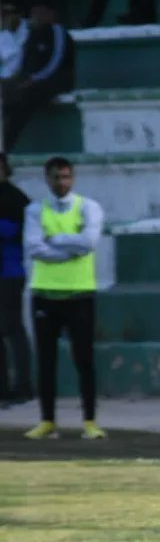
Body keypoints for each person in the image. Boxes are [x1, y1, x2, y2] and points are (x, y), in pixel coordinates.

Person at [22, 157, 106, 440]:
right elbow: (34, 248)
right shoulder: (35, 210)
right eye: (56, 177)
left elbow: (90, 242)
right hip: (45, 293)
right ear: (47, 178)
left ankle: (90, 421)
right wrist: (71, 246)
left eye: (66, 177)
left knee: (84, 359)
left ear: (73, 178)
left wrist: (55, 239)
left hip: (80, 292)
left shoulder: (88, 207)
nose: (61, 182)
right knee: (46, 361)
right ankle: (47, 420)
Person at [1, 0, 74, 152]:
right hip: (31, 82)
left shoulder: (58, 31)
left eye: (39, 12)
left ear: (50, 14)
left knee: (24, 98)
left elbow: (54, 63)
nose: (35, 16)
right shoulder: (34, 34)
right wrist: (17, 80)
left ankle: (6, 147)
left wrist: (32, 80)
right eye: (33, 13)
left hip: (54, 81)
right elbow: (24, 64)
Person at [0, 152, 32, 405]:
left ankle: (23, 385)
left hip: (10, 272)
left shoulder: (14, 198)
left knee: (12, 328)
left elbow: (15, 230)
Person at [0, 2, 28, 81]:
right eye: (3, 13)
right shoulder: (4, 31)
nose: (5, 17)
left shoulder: (29, 30)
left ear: (20, 14)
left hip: (13, 79)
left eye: (9, 13)